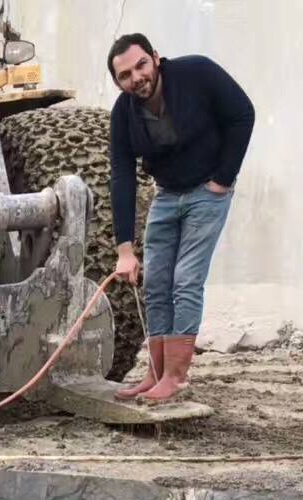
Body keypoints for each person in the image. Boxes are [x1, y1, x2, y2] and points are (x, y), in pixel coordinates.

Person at [109, 34, 255, 403]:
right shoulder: (123, 113)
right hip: (167, 194)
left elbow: (243, 114)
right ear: (118, 82)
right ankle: (155, 373)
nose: (136, 77)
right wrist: (124, 249)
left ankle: (175, 376)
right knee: (156, 281)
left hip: (208, 192)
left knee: (186, 279)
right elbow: (122, 174)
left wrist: (223, 179)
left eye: (141, 65)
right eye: (125, 75)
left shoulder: (197, 72)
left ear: (156, 58)